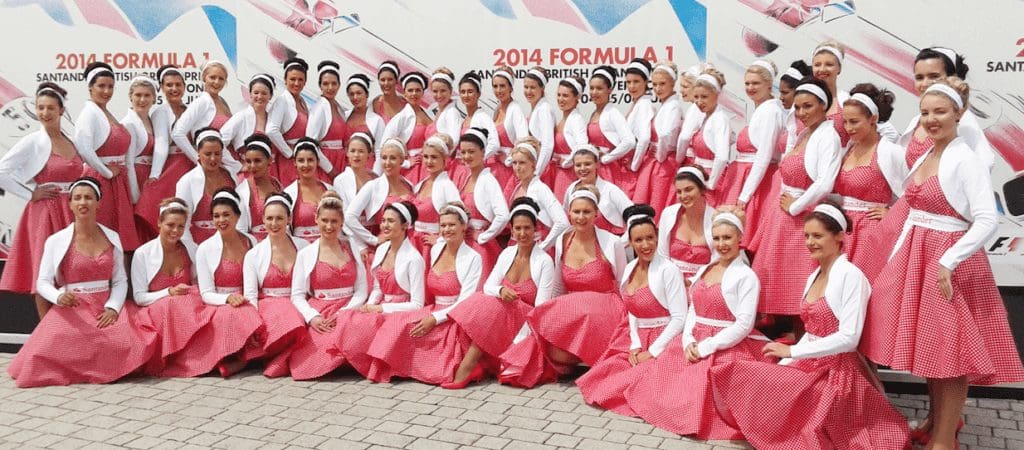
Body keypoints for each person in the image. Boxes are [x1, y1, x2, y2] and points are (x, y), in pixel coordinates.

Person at [861, 78, 1024, 449]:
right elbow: (912, 208)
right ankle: (938, 426)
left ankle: (945, 439)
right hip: (919, 257)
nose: (931, 119)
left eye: (940, 112)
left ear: (958, 114)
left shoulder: (966, 159)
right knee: (934, 352)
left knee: (951, 354)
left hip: (948, 264)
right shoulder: (927, 154)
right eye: (925, 112)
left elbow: (987, 219)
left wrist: (949, 261)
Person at [712, 203, 911, 449]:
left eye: (817, 236)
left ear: (839, 236)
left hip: (839, 371)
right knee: (749, 373)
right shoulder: (814, 275)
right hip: (810, 360)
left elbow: (849, 338)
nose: (810, 242)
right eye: (806, 236)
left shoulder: (851, 276)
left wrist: (792, 351)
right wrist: (788, 360)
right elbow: (813, 331)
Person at [629, 209, 772, 439]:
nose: (721, 244)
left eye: (727, 238)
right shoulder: (707, 268)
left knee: (701, 388)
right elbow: (694, 307)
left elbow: (744, 325)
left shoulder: (746, 276)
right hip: (695, 337)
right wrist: (688, 339)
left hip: (726, 343)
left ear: (740, 238)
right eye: (716, 238)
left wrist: (706, 347)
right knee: (660, 383)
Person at [8, 178, 155, 388]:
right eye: (77, 198)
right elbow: (43, 282)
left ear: (98, 203)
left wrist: (113, 308)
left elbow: (120, 280)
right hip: (73, 306)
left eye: (88, 197)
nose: (83, 202)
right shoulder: (56, 240)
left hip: (104, 305)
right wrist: (59, 296)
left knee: (129, 343)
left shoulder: (112, 237)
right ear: (70, 204)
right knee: (46, 353)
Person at [499, 186, 627, 388]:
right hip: (572, 306)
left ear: (597, 214)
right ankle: (523, 361)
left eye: (586, 212)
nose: (581, 217)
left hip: (605, 306)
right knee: (553, 348)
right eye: (576, 212)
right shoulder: (563, 239)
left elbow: (622, 283)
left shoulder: (612, 242)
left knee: (581, 319)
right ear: (569, 213)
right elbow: (558, 285)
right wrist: (549, 315)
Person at [575, 204, 687, 415]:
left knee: (632, 385)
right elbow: (633, 310)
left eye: (650, 238)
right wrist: (635, 345)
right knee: (603, 378)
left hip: (666, 339)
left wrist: (652, 351)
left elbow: (680, 318)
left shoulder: (669, 270)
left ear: (657, 238)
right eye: (639, 240)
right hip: (638, 337)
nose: (645, 245)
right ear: (631, 242)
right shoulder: (629, 269)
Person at [749, 77, 841, 323]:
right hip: (786, 215)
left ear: (823, 105)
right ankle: (779, 325)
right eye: (798, 107)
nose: (801, 113)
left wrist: (796, 206)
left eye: (808, 106)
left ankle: (798, 331)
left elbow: (825, 181)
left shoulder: (828, 136)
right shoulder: (805, 133)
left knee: (797, 276)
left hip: (802, 217)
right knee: (778, 272)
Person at [444, 198, 556, 388]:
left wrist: (520, 341)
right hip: (502, 318)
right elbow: (489, 286)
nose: (522, 233)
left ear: (535, 229)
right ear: (511, 230)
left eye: (527, 228)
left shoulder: (544, 261)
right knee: (483, 300)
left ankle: (468, 366)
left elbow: (540, 307)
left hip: (527, 324)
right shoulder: (506, 254)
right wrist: (501, 290)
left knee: (494, 308)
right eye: (518, 228)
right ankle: (467, 363)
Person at [366, 203, 482, 385]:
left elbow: (465, 301)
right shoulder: (436, 250)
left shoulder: (473, 258)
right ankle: (394, 368)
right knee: (398, 324)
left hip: (454, 316)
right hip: (433, 309)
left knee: (433, 349)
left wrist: (435, 319)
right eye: (443, 225)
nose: (447, 229)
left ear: (463, 226)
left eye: (452, 225)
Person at [0, 83, 83, 318]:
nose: (45, 113)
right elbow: (2, 171)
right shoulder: (32, 141)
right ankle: (46, 329)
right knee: (45, 270)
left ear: (61, 110)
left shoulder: (72, 140)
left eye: (50, 108)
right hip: (46, 212)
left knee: (71, 267)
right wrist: (31, 193)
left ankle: (69, 325)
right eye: (40, 108)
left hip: (73, 211)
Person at [334, 201, 425, 377]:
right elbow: (378, 287)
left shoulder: (414, 259)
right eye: (383, 220)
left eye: (391, 221)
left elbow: (417, 304)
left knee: (371, 324)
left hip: (401, 311)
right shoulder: (382, 249)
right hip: (380, 305)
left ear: (405, 225)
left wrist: (381, 308)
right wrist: (370, 305)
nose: (384, 225)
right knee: (348, 317)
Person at [287, 192, 369, 380]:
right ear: (316, 219)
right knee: (322, 344)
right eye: (324, 220)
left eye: (334, 221)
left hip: (350, 308)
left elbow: (362, 289)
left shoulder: (352, 248)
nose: (329, 226)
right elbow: (297, 295)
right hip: (322, 309)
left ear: (342, 222)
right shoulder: (305, 254)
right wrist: (312, 317)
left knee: (357, 329)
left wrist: (345, 312)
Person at [130, 199, 212, 376]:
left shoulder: (191, 249)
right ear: (159, 223)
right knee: (170, 305)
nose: (175, 231)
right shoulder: (142, 253)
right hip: (157, 309)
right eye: (170, 225)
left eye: (180, 226)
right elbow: (139, 297)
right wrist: (168, 292)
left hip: (189, 305)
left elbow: (199, 282)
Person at [831, 83, 903, 280]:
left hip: (870, 233)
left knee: (863, 284)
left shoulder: (889, 151)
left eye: (854, 122)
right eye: (845, 122)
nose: (848, 128)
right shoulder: (847, 149)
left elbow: (910, 193)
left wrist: (891, 212)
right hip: (842, 228)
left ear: (873, 119)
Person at [190, 188, 264, 377]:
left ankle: (249, 358)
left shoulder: (251, 242)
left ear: (237, 216)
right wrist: (228, 298)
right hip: (219, 303)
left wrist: (250, 302)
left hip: (250, 297)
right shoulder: (204, 249)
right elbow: (206, 293)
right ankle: (237, 358)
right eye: (216, 216)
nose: (221, 220)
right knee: (230, 315)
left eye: (226, 215)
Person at [74, 62, 141, 250]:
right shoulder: (89, 114)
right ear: (90, 87)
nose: (106, 91)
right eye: (101, 86)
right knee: (104, 228)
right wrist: (106, 172)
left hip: (117, 182)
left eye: (110, 86)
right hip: (101, 181)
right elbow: (84, 148)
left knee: (120, 234)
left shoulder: (105, 113)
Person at [241, 193, 308, 377]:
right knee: (289, 319)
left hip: (299, 301)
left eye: (279, 218)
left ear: (289, 219)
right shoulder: (253, 255)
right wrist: (253, 323)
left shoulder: (304, 247)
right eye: (269, 218)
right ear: (262, 219)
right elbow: (250, 294)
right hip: (270, 306)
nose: (274, 223)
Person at [720, 60, 785, 243]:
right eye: (747, 83)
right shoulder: (761, 109)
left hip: (756, 182)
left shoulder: (771, 111)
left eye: (756, 83)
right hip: (745, 178)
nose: (750, 87)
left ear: (769, 84)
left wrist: (745, 195)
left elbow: (764, 156)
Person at [137, 65, 194, 233]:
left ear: (185, 86)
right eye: (169, 85)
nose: (174, 88)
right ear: (161, 87)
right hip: (173, 167)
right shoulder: (160, 112)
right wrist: (155, 175)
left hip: (192, 164)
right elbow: (161, 144)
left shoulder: (191, 110)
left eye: (178, 84)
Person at [175, 128, 248, 243]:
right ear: (198, 153)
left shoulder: (231, 176)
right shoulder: (187, 181)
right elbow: (182, 222)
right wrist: (191, 249)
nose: (213, 158)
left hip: (231, 241)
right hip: (199, 242)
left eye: (217, 153)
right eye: (208, 154)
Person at [456, 128, 511, 279]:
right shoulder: (465, 178)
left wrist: (483, 236)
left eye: (471, 152)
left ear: (483, 152)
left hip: (480, 248)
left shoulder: (488, 180)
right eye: (463, 152)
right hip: (462, 242)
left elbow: (503, 216)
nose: (466, 156)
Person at [170, 60, 241, 174]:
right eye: (212, 77)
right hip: (214, 167)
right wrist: (199, 160)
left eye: (221, 79)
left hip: (231, 163)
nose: (216, 82)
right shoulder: (202, 102)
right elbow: (177, 133)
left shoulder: (222, 102)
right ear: (204, 78)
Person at [344, 138, 414, 248]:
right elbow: (349, 216)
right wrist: (373, 240)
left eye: (393, 158)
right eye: (384, 158)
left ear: (401, 160)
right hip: (387, 245)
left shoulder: (408, 184)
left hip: (411, 241)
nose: (387, 163)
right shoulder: (373, 186)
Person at [503, 138, 569, 251]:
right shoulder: (517, 187)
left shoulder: (541, 189)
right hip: (515, 246)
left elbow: (562, 223)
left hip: (535, 247)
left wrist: (543, 247)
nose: (517, 167)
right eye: (514, 163)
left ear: (533, 164)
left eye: (522, 163)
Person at [637, 60, 683, 213]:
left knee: (658, 202)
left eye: (662, 84)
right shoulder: (666, 105)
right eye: (655, 84)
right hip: (657, 161)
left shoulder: (673, 107)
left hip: (663, 163)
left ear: (673, 83)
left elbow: (665, 135)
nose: (658, 88)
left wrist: (660, 156)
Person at [657, 166, 714, 282]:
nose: (683, 196)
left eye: (689, 189)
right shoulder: (668, 214)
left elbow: (718, 261)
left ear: (702, 190)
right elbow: (662, 255)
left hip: (704, 281)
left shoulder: (715, 219)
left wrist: (692, 281)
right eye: (679, 192)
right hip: (671, 280)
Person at [121, 76, 161, 240]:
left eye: (147, 95)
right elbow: (128, 162)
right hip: (137, 179)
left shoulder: (152, 121)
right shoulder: (129, 123)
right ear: (130, 97)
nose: (142, 100)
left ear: (154, 98)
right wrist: (135, 197)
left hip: (149, 181)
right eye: (138, 95)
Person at [588, 65, 637, 197]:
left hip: (609, 171)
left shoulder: (613, 113)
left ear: (610, 90)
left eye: (599, 88)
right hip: (596, 169)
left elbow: (629, 141)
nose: (594, 92)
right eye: (592, 88)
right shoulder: (594, 113)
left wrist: (607, 158)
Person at [409, 134, 460, 260]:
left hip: (430, 246)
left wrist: (440, 239)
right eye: (426, 156)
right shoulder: (421, 184)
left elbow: (459, 216)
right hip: (414, 241)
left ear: (444, 159)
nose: (429, 161)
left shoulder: (447, 186)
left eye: (434, 157)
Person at [688, 68, 732, 207]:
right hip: (700, 176)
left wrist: (711, 183)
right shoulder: (706, 117)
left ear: (717, 94)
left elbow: (722, 157)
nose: (699, 101)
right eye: (696, 97)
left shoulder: (720, 119)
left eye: (704, 97)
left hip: (710, 178)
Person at [563, 146, 631, 235]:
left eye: (587, 164)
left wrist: (623, 240)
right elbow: (565, 215)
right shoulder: (571, 189)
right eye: (578, 165)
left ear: (597, 164)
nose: (582, 168)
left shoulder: (610, 189)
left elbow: (633, 214)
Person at [380, 71, 433, 184]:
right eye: (410, 90)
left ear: (423, 92)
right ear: (404, 93)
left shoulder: (430, 115)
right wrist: (405, 163)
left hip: (430, 165)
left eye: (417, 90)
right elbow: (384, 147)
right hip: (411, 171)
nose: (414, 93)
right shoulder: (401, 117)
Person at [267, 58, 312, 185]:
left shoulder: (302, 102)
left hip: (301, 158)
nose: (296, 83)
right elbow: (271, 130)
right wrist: (289, 153)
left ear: (305, 82)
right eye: (292, 79)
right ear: (285, 80)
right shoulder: (282, 101)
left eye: (300, 80)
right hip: (288, 162)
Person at [543, 76, 588, 200]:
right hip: (556, 173)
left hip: (568, 175)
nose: (560, 99)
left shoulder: (576, 120)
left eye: (565, 96)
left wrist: (566, 162)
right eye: (559, 95)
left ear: (577, 97)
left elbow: (582, 147)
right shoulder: (563, 119)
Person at [282, 138, 333, 242]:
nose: (306, 165)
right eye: (301, 160)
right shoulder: (288, 194)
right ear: (294, 162)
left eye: (310, 160)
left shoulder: (330, 190)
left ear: (318, 161)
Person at [306, 60, 348, 178]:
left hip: (341, 161)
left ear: (339, 85)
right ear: (320, 86)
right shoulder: (319, 108)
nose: (330, 88)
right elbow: (311, 142)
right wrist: (330, 170)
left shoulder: (338, 107)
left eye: (334, 83)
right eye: (325, 84)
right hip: (326, 164)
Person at [237, 134, 283, 241]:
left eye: (257, 161)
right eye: (248, 161)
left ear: (269, 160)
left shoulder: (278, 185)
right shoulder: (242, 192)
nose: (252, 166)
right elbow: (240, 231)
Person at [490, 66, 528, 188]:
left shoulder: (515, 110)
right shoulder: (497, 109)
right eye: (495, 86)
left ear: (510, 88)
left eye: (502, 86)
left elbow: (523, 142)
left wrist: (508, 160)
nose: (498, 90)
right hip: (494, 168)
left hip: (509, 171)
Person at [812, 41, 851, 145]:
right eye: (817, 65)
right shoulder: (802, 98)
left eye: (829, 64)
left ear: (839, 68)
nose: (822, 69)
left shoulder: (846, 101)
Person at [331, 132, 377, 218]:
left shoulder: (375, 178)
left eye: (361, 151)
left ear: (369, 154)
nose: (356, 155)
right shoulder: (340, 180)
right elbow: (343, 213)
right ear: (347, 153)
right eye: (352, 151)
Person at [522, 66, 556, 180]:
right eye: (526, 87)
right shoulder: (537, 108)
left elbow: (548, 145)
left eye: (533, 87)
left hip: (541, 170)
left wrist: (536, 173)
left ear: (542, 88)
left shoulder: (544, 109)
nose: (528, 91)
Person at [345, 73, 386, 158]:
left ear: (367, 94)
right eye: (351, 94)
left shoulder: (377, 120)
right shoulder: (344, 116)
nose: (355, 97)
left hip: (367, 164)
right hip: (343, 163)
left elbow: (379, 150)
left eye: (359, 93)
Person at [779, 60, 813, 154]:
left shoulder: (806, 120)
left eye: (785, 93)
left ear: (798, 91)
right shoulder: (793, 117)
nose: (781, 97)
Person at [426, 67, 462, 143]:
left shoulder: (452, 112)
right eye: (435, 91)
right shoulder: (437, 111)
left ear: (450, 91)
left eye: (443, 91)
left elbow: (454, 141)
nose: (439, 95)